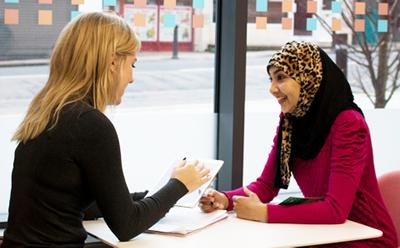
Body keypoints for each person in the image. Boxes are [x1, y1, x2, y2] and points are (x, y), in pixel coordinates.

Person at [1, 12, 210, 247]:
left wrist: (149, 197)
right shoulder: (88, 123)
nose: (131, 78)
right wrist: (180, 185)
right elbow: (127, 225)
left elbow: (76, 201)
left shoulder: (49, 112)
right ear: (112, 62)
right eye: (132, 64)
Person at [200, 41, 398, 247]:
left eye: (281, 78)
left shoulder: (349, 123)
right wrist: (224, 199)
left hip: (366, 239)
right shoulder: (290, 121)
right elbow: (267, 186)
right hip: (325, 234)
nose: (272, 89)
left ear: (308, 78)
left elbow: (335, 210)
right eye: (271, 79)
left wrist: (264, 212)